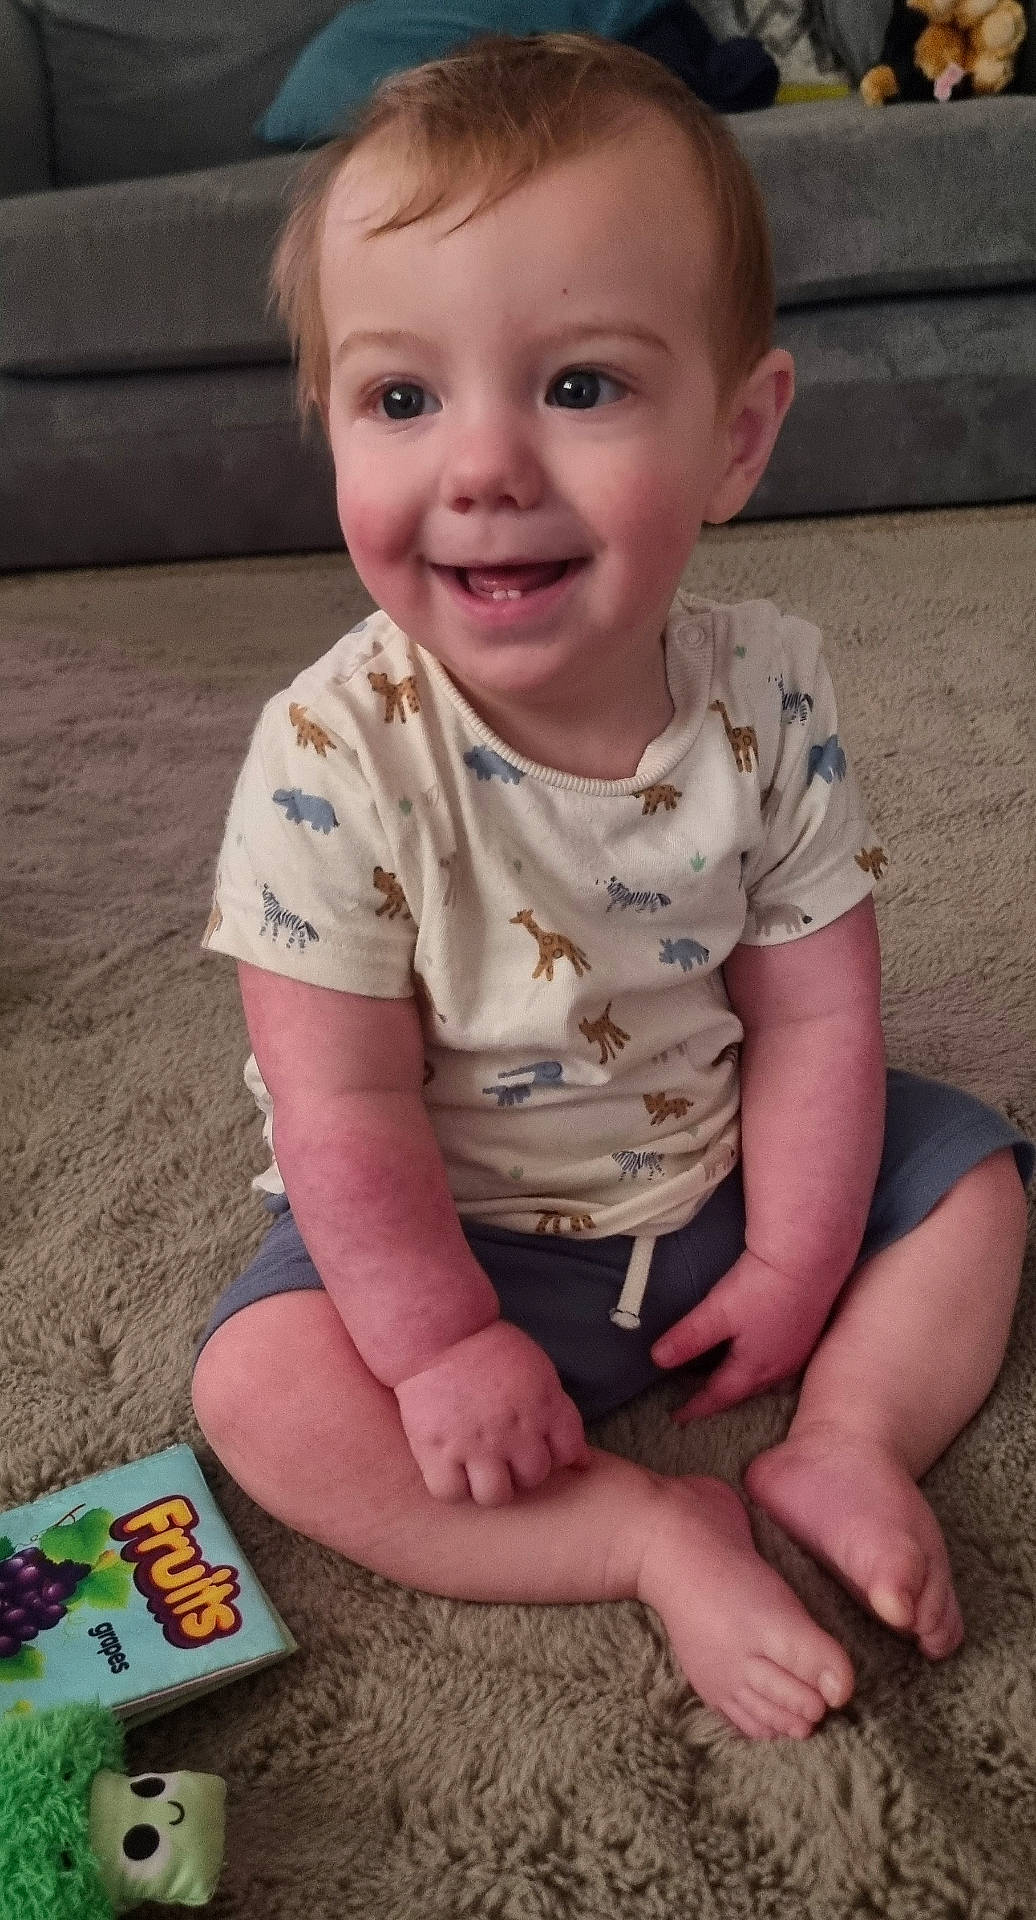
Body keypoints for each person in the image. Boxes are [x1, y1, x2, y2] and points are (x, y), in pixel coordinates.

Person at [192, 32, 1033, 1741]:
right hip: (457, 1233)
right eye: (402, 398)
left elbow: (817, 1005)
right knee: (263, 1396)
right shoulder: (332, 755)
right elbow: (337, 1108)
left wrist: (800, 1258)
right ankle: (641, 1534)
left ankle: (846, 1446)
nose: (482, 463)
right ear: (332, 424)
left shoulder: (767, 691)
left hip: (726, 1162)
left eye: (577, 386)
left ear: (737, 439)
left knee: (979, 1184)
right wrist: (436, 1349)